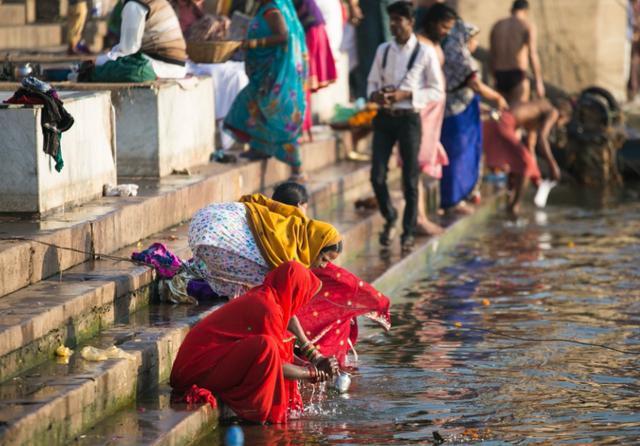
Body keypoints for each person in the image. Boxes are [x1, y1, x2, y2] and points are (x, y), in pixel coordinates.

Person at [170, 261, 335, 424]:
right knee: (266, 346)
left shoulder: (269, 297)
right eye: (302, 296)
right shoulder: (267, 309)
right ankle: (253, 410)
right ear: (294, 292)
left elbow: (284, 340)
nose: (301, 303)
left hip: (198, 364)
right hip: (192, 371)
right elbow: (275, 362)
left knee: (274, 345)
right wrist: (311, 372)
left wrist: (314, 359)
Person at [367, 1, 447, 249]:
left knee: (410, 178)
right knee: (377, 176)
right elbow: (371, 83)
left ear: (411, 23)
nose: (393, 25)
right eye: (391, 20)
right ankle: (390, 216)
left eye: (398, 20)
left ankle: (408, 231)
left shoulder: (425, 52)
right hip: (385, 117)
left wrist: (407, 95)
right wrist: (376, 96)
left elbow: (437, 89)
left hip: (410, 118)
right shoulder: (384, 50)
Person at [224, 0, 308, 182]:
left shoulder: (272, 11)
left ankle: (298, 169)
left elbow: (283, 36)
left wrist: (253, 44)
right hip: (262, 74)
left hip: (273, 74)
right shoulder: (264, 9)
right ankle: (259, 147)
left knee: (277, 118)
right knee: (251, 107)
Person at [440, 12, 508, 214]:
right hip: (456, 114)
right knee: (457, 154)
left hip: (464, 110)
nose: (476, 43)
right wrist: (497, 98)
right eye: (474, 39)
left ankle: (461, 195)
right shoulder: (459, 56)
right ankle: (452, 200)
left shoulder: (457, 54)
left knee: (466, 154)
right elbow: (475, 84)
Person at [483, 98, 562, 216]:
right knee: (526, 164)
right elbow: (542, 139)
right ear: (564, 116)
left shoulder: (538, 106)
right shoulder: (554, 112)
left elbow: (531, 144)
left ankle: (511, 200)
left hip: (495, 121)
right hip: (503, 124)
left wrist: (536, 175)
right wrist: (553, 165)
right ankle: (514, 207)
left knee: (520, 162)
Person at [93, 0, 188, 80]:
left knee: (100, 69)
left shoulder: (134, 5)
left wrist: (98, 61)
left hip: (160, 68)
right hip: (175, 68)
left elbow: (128, 50)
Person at [293, 0, 338, 140]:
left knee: (301, 81)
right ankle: (305, 128)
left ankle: (302, 129)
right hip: (313, 28)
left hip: (310, 30)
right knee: (303, 82)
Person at [489, 0, 544, 103]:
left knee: (502, 115)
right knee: (517, 115)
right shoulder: (527, 25)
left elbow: (492, 54)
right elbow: (532, 54)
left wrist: (495, 77)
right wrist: (538, 82)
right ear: (526, 11)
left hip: (499, 74)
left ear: (511, 10)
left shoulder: (497, 25)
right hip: (517, 74)